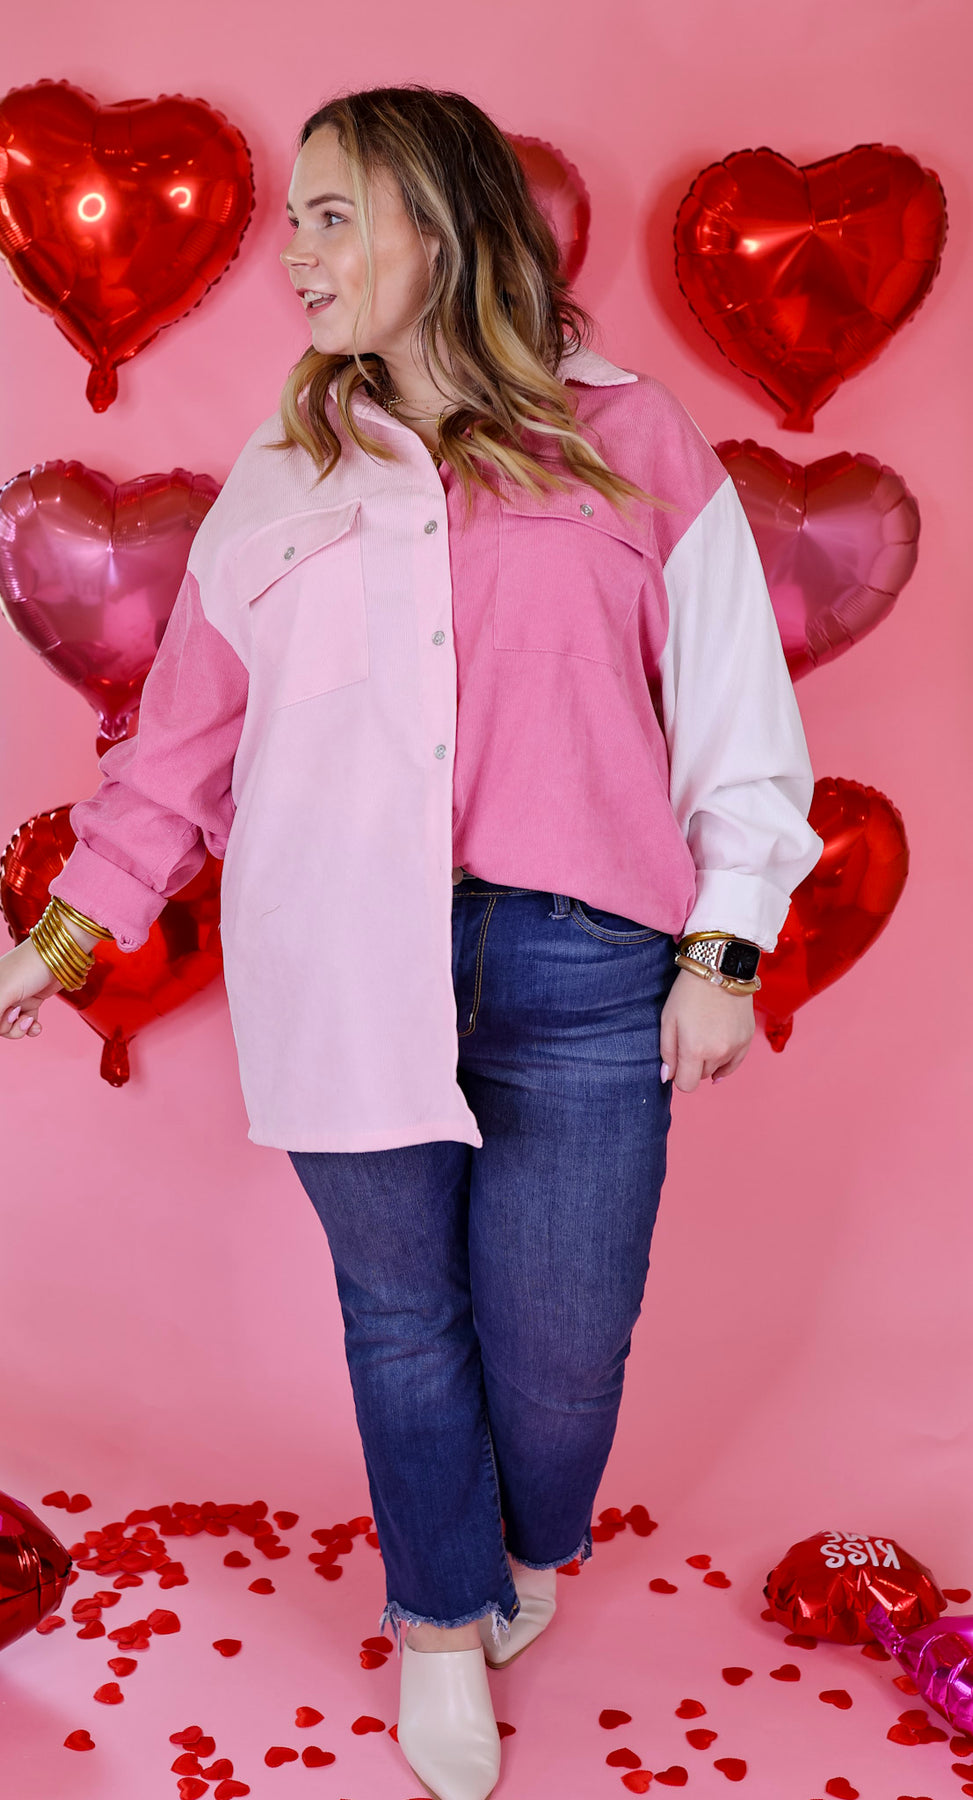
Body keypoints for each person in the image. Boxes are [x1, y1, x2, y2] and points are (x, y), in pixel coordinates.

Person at [0, 85, 822, 1800]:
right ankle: (438, 1621)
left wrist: (724, 945)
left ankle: (520, 1545)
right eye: (293, 217)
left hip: (585, 963)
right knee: (398, 1317)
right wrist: (61, 942)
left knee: (563, 1348)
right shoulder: (282, 472)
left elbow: (734, 704)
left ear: (438, 229)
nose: (293, 256)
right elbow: (181, 746)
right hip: (339, 955)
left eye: (331, 215)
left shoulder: (632, 435)